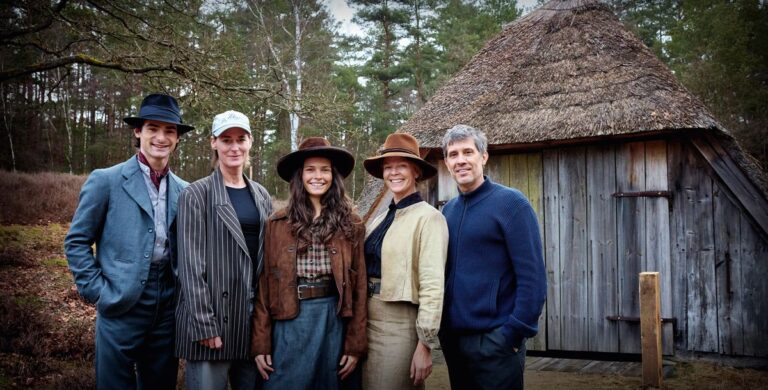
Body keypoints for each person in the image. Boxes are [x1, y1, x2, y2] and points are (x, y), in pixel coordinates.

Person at [64, 93, 193, 389]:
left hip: (167, 309)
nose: (161, 137)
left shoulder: (185, 191)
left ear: (177, 139)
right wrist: (97, 292)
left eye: (169, 131)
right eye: (153, 128)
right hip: (120, 302)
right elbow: (76, 241)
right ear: (138, 131)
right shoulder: (105, 180)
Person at [251, 137, 368, 389]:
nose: (318, 176)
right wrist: (260, 343)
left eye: (325, 170)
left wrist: (355, 344)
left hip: (334, 320)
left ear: (333, 176)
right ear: (300, 176)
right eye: (310, 170)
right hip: (290, 320)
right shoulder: (276, 223)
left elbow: (359, 289)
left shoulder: (352, 224)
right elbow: (264, 286)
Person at [438, 124, 547, 390]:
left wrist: (513, 332)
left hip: (496, 342)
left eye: (468, 152)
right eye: (453, 154)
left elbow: (533, 277)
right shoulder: (447, 212)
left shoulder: (511, 204)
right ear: (446, 162)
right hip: (454, 342)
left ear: (483, 157)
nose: (461, 160)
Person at [175, 110, 272, 389]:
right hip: (212, 321)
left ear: (250, 142)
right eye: (226, 139)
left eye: (240, 139)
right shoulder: (196, 194)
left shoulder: (262, 194)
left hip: (251, 321)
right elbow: (190, 266)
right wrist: (204, 323)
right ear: (213, 143)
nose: (234, 146)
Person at [361, 133, 448, 390]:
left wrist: (425, 345)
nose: (393, 173)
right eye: (388, 167)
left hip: (399, 326)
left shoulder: (429, 219)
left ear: (416, 172)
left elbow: (433, 285)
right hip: (366, 320)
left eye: (401, 166)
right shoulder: (377, 220)